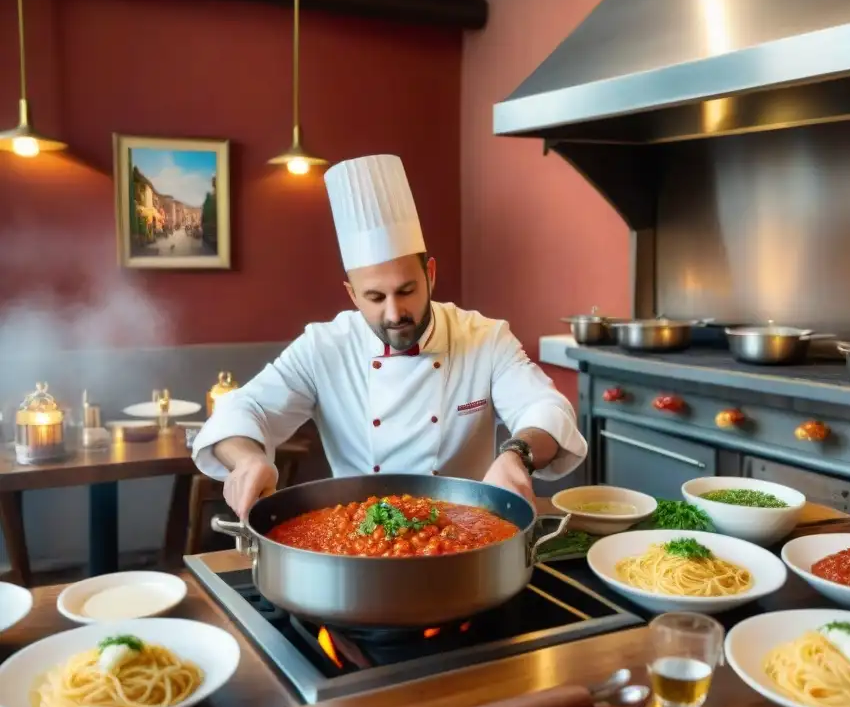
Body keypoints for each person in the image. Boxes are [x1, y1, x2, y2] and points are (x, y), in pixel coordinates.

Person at [192, 154, 587, 517]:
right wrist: (247, 459)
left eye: (407, 291)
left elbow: (547, 409)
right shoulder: (323, 347)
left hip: (468, 535)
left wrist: (516, 455)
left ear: (430, 275)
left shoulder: (485, 338)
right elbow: (243, 410)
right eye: (375, 297)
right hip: (359, 539)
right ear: (351, 294)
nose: (394, 312)